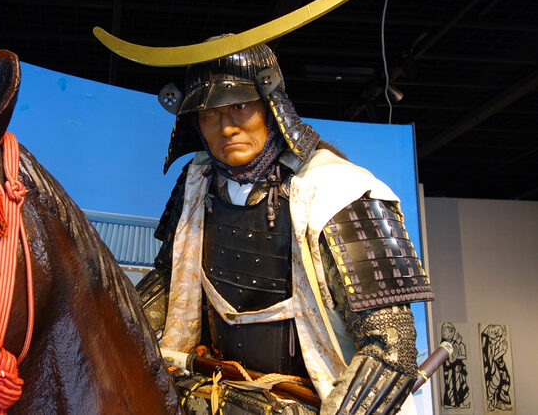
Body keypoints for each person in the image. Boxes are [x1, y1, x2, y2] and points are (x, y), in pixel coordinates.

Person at [136, 40, 434, 414]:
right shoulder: (196, 185)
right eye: (209, 114)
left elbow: (392, 348)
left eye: (240, 107)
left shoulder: (339, 192)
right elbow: (167, 279)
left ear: (271, 106)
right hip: (212, 392)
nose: (226, 127)